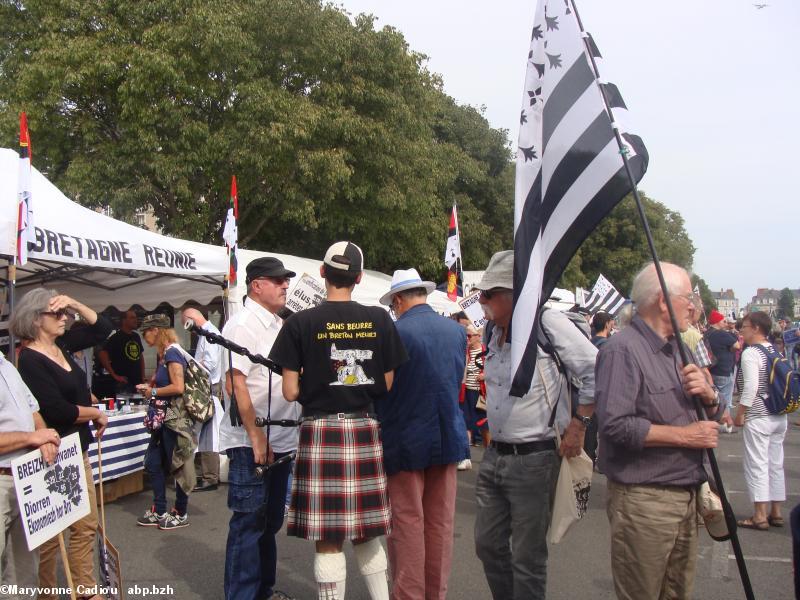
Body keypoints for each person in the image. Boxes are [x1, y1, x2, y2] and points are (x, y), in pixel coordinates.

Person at [269, 241, 407, 600]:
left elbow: (288, 392)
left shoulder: (299, 323)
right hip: (363, 427)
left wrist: (309, 377)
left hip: (319, 431)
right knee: (367, 532)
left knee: (328, 538)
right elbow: (387, 384)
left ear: (322, 272)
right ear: (359, 278)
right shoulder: (380, 319)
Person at [472, 251, 597, 600]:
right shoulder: (489, 330)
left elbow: (594, 368)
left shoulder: (547, 321)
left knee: (528, 557)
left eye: (488, 293)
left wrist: (579, 424)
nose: (481, 300)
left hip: (535, 457)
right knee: (487, 545)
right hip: (496, 453)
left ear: (513, 294)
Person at [595, 262, 720, 600]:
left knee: (677, 593)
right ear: (663, 301)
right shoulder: (623, 350)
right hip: (645, 500)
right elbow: (615, 425)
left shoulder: (682, 347)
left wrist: (710, 396)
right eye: (688, 297)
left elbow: (710, 410)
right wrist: (686, 436)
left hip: (686, 493)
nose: (694, 305)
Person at [11, 289, 111, 600]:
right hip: (49, 455)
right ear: (35, 319)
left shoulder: (61, 345)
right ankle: (48, 594)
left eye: (64, 313)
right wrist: (94, 412)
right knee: (51, 536)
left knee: (85, 526)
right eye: (56, 313)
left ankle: (85, 589)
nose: (64, 318)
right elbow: (57, 410)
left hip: (76, 449)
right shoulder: (28, 359)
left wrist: (74, 301)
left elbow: (103, 329)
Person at [376, 268, 467, 600]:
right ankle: (434, 594)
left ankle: (409, 594)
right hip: (446, 436)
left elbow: (383, 389)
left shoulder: (395, 333)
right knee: (440, 524)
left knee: (407, 524)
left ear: (398, 300)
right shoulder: (455, 332)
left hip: (405, 438)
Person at [219, 256, 300, 600]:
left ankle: (263, 589)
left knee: (269, 523)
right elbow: (235, 385)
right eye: (278, 280)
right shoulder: (241, 325)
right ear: (257, 285)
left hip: (281, 437)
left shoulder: (279, 324)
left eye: (286, 280)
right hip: (254, 441)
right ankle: (242, 595)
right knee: (249, 523)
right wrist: (255, 436)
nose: (285, 285)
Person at [0, 353, 61, 600]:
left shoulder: (6, 364)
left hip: (23, 477)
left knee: (23, 579)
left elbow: (32, 408)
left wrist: (43, 436)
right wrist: (30, 439)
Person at [135, 313, 195, 530]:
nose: (143, 336)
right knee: (153, 463)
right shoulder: (165, 354)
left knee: (177, 463)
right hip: (164, 417)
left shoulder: (171, 354)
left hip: (173, 417)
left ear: (156, 331)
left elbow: (178, 387)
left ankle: (180, 511)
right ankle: (160, 508)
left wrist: (152, 391)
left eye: (146, 332)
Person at [733, 311, 787, 530]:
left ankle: (759, 515)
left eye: (744, 326)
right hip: (779, 414)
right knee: (775, 464)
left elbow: (751, 386)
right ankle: (776, 511)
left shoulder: (751, 353)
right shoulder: (774, 349)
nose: (741, 330)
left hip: (759, 414)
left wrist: (741, 411)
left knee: (757, 464)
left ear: (756, 328)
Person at [182, 307, 224, 492]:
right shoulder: (207, 333)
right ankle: (208, 476)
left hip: (206, 389)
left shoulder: (209, 334)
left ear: (190, 319)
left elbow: (210, 363)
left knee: (207, 434)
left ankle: (210, 477)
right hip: (206, 388)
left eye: (185, 322)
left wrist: (189, 365)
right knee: (206, 434)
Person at [705, 309, 741, 433]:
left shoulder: (707, 333)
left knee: (714, 397)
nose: (726, 322)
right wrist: (730, 350)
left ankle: (715, 423)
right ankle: (725, 425)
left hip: (712, 369)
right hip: (724, 370)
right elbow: (737, 345)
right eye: (723, 320)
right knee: (725, 399)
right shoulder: (721, 334)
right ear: (718, 321)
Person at [97, 309, 145, 395]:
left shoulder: (136, 336)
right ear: (124, 320)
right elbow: (102, 354)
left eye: (136, 318)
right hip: (124, 383)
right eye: (132, 318)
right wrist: (114, 375)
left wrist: (143, 376)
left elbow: (140, 356)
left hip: (137, 382)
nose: (135, 320)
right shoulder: (116, 337)